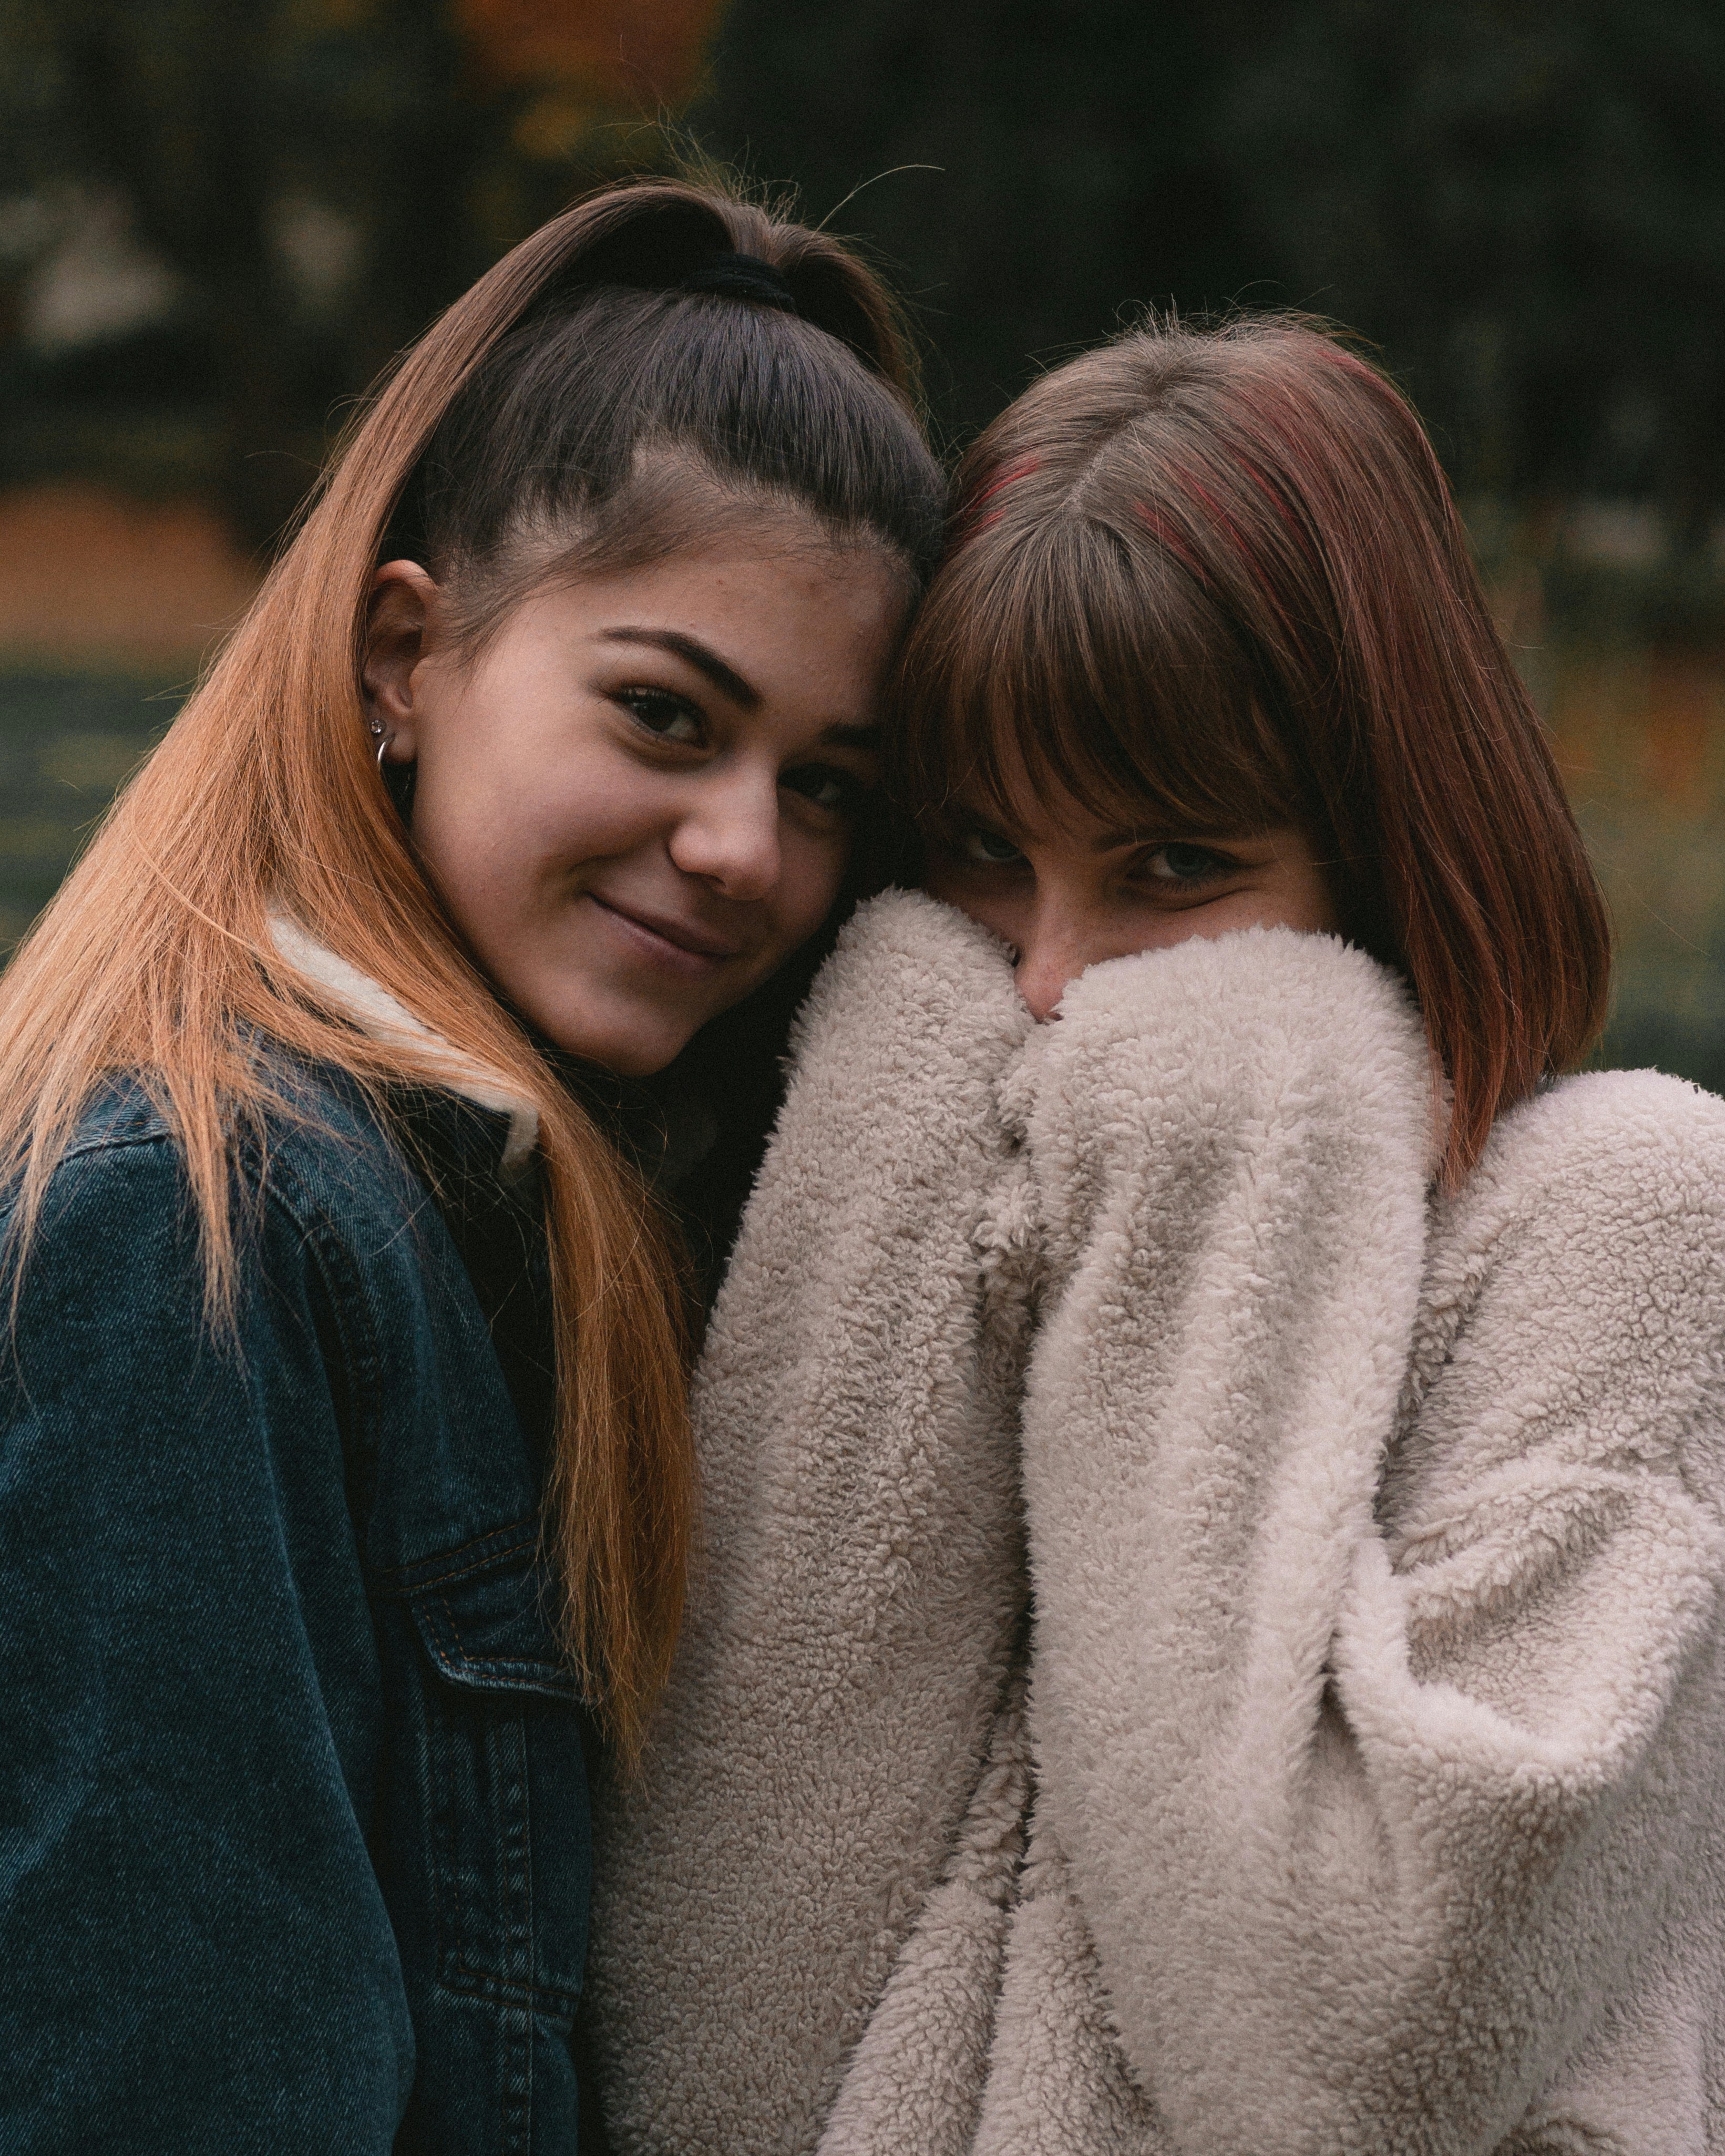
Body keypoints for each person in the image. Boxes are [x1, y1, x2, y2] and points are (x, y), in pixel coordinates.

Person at [586, 316, 1725, 2154]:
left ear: (1381, 845)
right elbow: (709, 2033)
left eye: (1173, 872)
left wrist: (1228, 1129)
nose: (1044, 984)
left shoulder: (1625, 1224)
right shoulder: (916, 1142)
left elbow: (1344, 2068)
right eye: (971, 854)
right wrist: (903, 1075)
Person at [0, 177, 944, 2153]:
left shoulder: (559, 1207)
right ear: (406, 657)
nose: (744, 848)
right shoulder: (201, 1221)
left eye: (826, 786)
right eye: (665, 716)